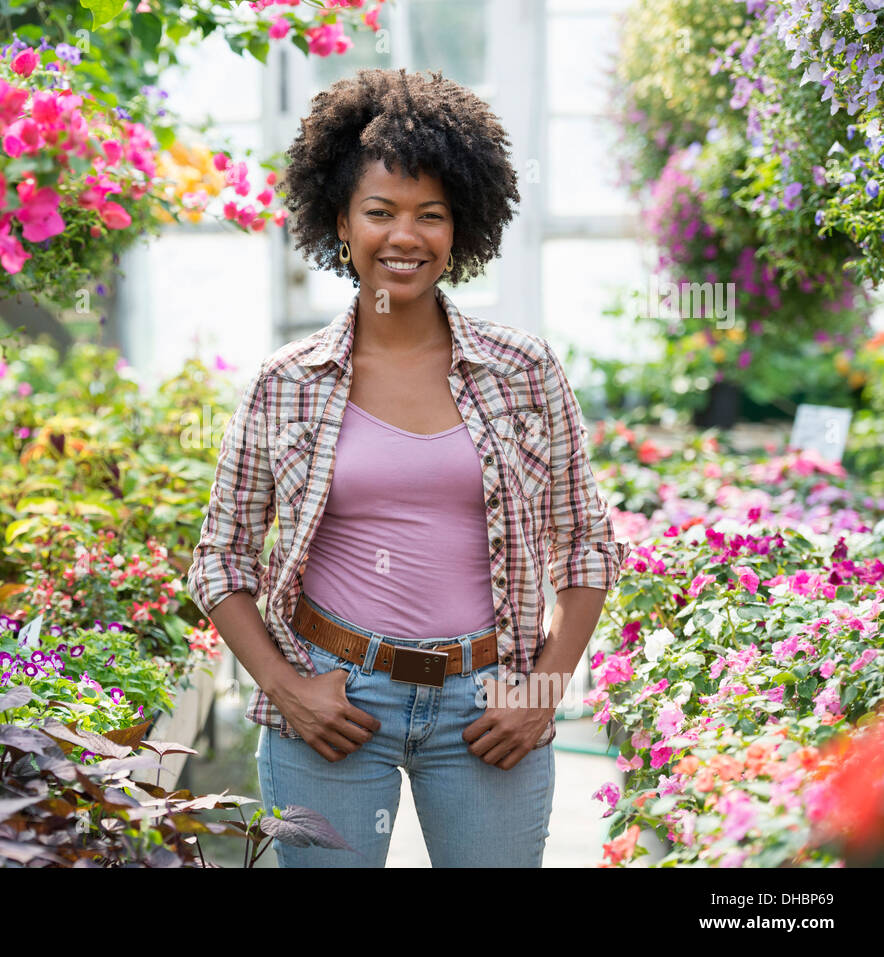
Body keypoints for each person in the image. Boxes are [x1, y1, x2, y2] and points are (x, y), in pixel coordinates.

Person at [185, 68, 631, 867]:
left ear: (461, 228)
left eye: (431, 215)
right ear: (341, 223)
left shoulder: (522, 369)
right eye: (380, 212)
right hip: (334, 702)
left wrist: (544, 689)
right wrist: (285, 688)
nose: (405, 236)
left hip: (488, 706)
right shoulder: (286, 380)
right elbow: (220, 559)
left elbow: (587, 546)